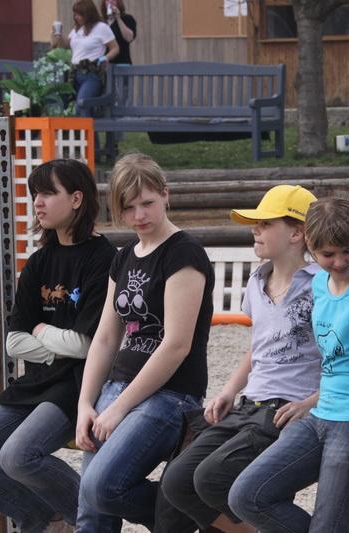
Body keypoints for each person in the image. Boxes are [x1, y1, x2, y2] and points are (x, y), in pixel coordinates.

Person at [228, 197, 349, 533]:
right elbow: (333, 360)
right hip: (321, 413)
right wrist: (310, 401)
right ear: (310, 246)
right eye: (328, 255)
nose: (339, 262)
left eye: (348, 251)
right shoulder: (317, 283)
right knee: (247, 496)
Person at [0, 159, 115, 533]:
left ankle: (94, 521)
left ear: (76, 199)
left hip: (78, 385)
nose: (37, 202)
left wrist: (40, 331)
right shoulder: (39, 262)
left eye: (47, 193)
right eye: (34, 194)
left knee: (18, 456)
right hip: (35, 383)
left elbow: (87, 346)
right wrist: (55, 342)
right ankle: (45, 520)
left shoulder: (104, 259)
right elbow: (13, 342)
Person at [158, 185, 323, 533]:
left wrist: (311, 402)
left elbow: (339, 356)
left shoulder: (320, 286)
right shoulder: (256, 280)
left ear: (296, 233)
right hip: (248, 406)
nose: (255, 230)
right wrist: (229, 391)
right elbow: (258, 347)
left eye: (265, 224)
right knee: (176, 482)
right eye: (255, 224)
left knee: (210, 478)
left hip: (285, 410)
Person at [74, 153, 214, 532]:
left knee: (100, 487)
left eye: (147, 203)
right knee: (90, 510)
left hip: (171, 394)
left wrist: (118, 408)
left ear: (166, 194)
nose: (139, 215)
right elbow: (106, 337)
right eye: (128, 207)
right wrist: (86, 402)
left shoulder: (184, 253)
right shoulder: (123, 258)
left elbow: (176, 345)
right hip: (116, 386)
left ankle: (187, 517)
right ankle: (180, 516)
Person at [51, 0, 118, 116]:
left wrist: (105, 58)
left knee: (82, 104)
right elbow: (65, 45)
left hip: (91, 75)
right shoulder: (77, 29)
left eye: (79, 14)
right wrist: (58, 34)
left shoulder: (101, 27)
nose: (75, 17)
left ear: (87, 14)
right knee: (61, 102)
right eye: (75, 14)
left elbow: (115, 48)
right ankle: (84, 128)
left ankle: (86, 128)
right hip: (74, 74)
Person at [99, 0, 137, 64]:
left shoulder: (127, 18)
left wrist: (118, 18)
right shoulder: (101, 22)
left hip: (122, 63)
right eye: (107, 0)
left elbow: (129, 38)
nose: (110, 1)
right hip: (105, 64)